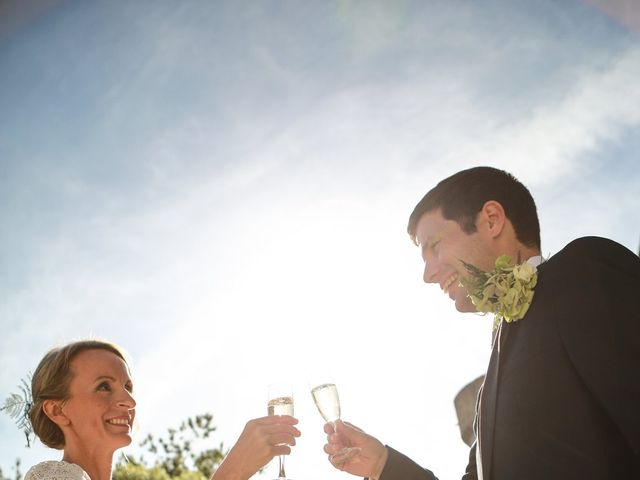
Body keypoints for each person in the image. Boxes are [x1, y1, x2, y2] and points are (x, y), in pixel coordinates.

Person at [324, 166, 640, 479]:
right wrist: (382, 464)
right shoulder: (489, 384)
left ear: (491, 220)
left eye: (434, 247)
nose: (428, 274)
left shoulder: (583, 271)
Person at [18, 340, 300, 480]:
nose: (129, 401)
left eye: (128, 386)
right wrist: (232, 472)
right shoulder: (50, 476)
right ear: (57, 410)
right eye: (104, 386)